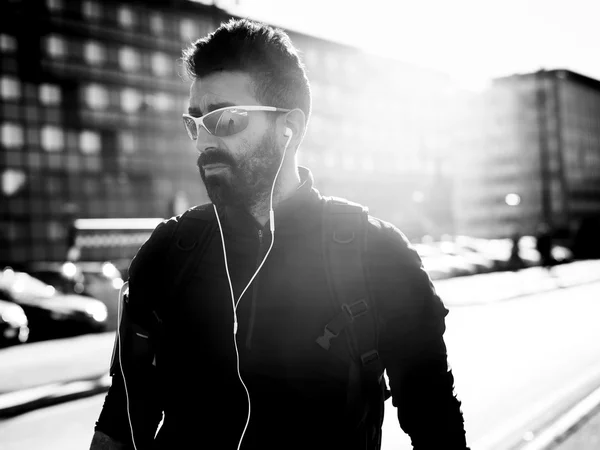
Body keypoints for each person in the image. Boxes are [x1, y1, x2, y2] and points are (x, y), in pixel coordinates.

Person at [90, 19, 469, 450]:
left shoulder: (376, 254)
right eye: (195, 122)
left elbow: (435, 421)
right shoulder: (170, 252)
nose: (203, 142)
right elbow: (123, 412)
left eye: (226, 119)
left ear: (291, 127)